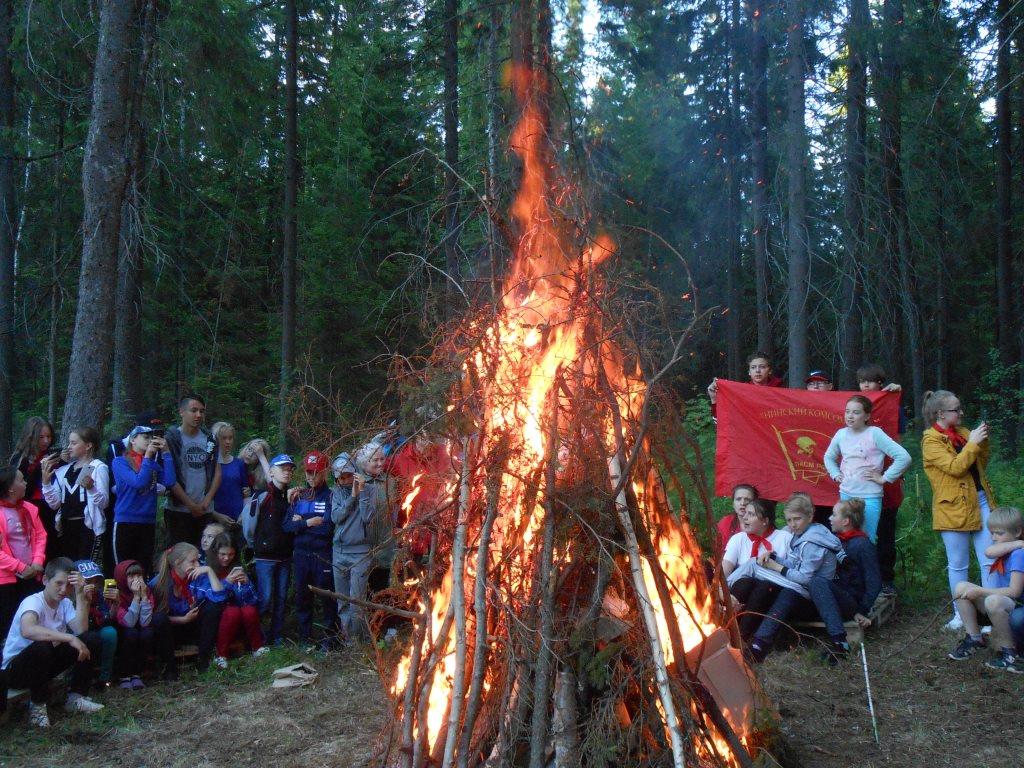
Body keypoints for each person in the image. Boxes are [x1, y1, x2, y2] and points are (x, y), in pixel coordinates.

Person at [921, 390, 996, 632]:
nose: (961, 413)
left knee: (990, 560)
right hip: (952, 508)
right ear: (941, 413)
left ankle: (993, 613)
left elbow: (979, 464)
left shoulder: (963, 434)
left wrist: (981, 443)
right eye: (956, 409)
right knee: (958, 564)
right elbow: (955, 468)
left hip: (981, 501)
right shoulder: (930, 441)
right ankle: (960, 615)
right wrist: (973, 444)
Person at [1, 558, 104, 727]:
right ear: (45, 580)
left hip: (45, 664)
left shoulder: (64, 603)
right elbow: (28, 629)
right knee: (43, 646)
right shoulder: (33, 601)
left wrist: (80, 595)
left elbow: (81, 630)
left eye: (69, 585)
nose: (64, 590)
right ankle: (37, 707)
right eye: (59, 583)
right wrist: (69, 638)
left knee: (90, 639)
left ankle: (76, 697)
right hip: (16, 671)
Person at [745, 494, 847, 662]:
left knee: (795, 589)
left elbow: (806, 578)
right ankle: (759, 644)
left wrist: (778, 568)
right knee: (787, 591)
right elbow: (794, 563)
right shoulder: (801, 535)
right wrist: (775, 557)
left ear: (810, 516)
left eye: (797, 519)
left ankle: (840, 642)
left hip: (830, 600)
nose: (792, 524)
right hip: (812, 598)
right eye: (789, 520)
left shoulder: (812, 542)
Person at [945, 506, 1024, 671]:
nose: (994, 537)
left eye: (999, 533)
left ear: (1017, 531)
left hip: (1018, 608)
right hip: (1008, 606)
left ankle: (1010, 653)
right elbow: (989, 552)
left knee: (993, 601)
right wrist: (1017, 542)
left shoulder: (1019, 554)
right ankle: (975, 638)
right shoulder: (1010, 548)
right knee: (961, 587)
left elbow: (1014, 592)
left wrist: (981, 592)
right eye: (992, 533)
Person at [823, 395, 911, 542]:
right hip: (846, 494)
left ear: (867, 416)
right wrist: (835, 473)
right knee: (845, 536)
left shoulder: (874, 433)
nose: (850, 416)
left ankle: (867, 564)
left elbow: (904, 457)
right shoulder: (841, 434)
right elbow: (828, 457)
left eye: (856, 412)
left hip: (869, 496)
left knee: (867, 537)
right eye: (847, 411)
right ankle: (849, 565)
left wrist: (885, 478)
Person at [857, 364, 905, 594]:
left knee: (884, 531)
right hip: (857, 483)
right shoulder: (852, 406)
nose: (866, 385)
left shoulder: (889, 403)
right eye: (862, 381)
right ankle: (863, 580)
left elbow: (901, 445)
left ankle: (886, 579)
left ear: (880, 383)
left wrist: (893, 396)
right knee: (859, 532)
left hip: (884, 481)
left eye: (870, 381)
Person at [285, 451, 336, 650]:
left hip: (322, 555)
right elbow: (287, 526)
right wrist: (308, 523)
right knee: (302, 598)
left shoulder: (331, 495)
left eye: (315, 472)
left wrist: (302, 524)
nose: (311, 476)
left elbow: (328, 528)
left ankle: (330, 639)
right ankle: (305, 638)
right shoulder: (299, 496)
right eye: (308, 472)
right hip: (300, 556)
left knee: (326, 598)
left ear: (324, 471)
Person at [151, 542, 226, 673]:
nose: (197, 565)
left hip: (193, 628)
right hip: (172, 631)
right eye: (193, 561)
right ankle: (169, 668)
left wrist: (209, 571)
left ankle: (204, 661)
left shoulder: (197, 576)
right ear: (178, 563)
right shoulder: (159, 583)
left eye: (198, 560)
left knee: (213, 607)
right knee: (159, 619)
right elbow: (153, 618)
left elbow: (220, 598)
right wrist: (183, 619)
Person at [724, 499, 792, 641]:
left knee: (764, 586)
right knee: (745, 582)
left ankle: (742, 637)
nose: (744, 517)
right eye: (745, 513)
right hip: (742, 591)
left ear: (765, 521)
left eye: (751, 514)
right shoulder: (739, 538)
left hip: (771, 591)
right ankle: (727, 632)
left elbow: (791, 568)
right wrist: (721, 589)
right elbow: (725, 570)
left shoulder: (784, 538)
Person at [246, 454, 296, 645]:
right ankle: (254, 637)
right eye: (283, 468)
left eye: (290, 469)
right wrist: (256, 545)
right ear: (271, 471)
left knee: (281, 599)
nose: (287, 472)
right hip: (265, 557)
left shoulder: (290, 497)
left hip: (285, 556)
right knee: (265, 598)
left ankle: (276, 636)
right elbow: (249, 525)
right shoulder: (262, 496)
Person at [111, 426, 175, 572]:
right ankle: (121, 595)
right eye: (145, 437)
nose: (150, 440)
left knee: (144, 566)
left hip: (147, 521)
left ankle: (143, 594)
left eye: (152, 437)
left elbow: (170, 481)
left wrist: (166, 452)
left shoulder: (151, 464)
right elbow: (137, 482)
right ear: (133, 439)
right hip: (125, 520)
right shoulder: (120, 462)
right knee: (123, 568)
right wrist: (148, 456)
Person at [41, 427, 110, 561]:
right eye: (69, 443)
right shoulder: (63, 471)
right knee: (68, 568)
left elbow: (104, 502)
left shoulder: (97, 467)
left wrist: (92, 488)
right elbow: (54, 504)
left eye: (74, 443)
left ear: (88, 445)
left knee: (84, 568)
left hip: (88, 528)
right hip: (66, 527)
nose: (69, 447)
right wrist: (46, 483)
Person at [331, 452, 377, 643]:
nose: (345, 479)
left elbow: (368, 517)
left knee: (357, 601)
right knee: (342, 601)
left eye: (349, 475)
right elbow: (336, 517)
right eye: (341, 477)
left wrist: (362, 492)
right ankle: (349, 641)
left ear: (355, 473)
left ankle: (362, 641)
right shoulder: (336, 492)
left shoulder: (370, 489)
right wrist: (352, 497)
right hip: (339, 552)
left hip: (360, 553)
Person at [164, 394, 219, 547]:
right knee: (179, 555)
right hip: (178, 509)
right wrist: (190, 505)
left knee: (204, 554)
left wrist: (207, 501)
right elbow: (170, 475)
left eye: (202, 411)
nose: (198, 415)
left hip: (205, 508)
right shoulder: (171, 438)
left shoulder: (210, 438)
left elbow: (217, 471)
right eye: (193, 410)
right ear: (182, 412)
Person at [204, 532, 266, 666]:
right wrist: (226, 582)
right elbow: (212, 598)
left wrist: (246, 584)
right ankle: (221, 655)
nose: (226, 558)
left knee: (249, 610)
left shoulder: (237, 568)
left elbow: (253, 600)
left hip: (237, 613)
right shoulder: (207, 568)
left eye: (231, 554)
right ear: (215, 552)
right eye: (223, 554)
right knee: (232, 612)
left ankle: (258, 648)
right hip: (214, 614)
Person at [0, 466, 46, 639]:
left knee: (33, 618)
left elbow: (41, 535)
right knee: (8, 623)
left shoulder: (29, 508)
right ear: (11, 488)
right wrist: (20, 567)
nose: (26, 483)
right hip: (7, 580)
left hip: (32, 574)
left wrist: (37, 562)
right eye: (21, 480)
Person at [113, 558, 173, 688]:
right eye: (131, 576)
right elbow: (129, 622)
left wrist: (144, 597)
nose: (136, 579)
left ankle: (137, 673)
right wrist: (135, 597)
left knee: (147, 633)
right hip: (124, 629)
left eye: (139, 575)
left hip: (141, 625)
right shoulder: (118, 594)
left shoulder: (147, 591)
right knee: (131, 633)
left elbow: (145, 622)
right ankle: (124, 674)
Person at [824, 499, 883, 632]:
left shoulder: (863, 545)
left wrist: (863, 609)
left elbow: (874, 581)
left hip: (852, 600)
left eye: (834, 515)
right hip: (836, 596)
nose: (830, 518)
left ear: (846, 521)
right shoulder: (833, 541)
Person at [10, 417, 58, 560]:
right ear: (31, 437)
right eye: (41, 437)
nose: (46, 441)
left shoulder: (53, 454)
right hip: (28, 506)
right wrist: (40, 467)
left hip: (50, 506)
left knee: (51, 544)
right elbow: (23, 488)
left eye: (48, 436)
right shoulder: (20, 458)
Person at [73, 559, 118, 691]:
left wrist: (115, 603)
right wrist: (83, 599)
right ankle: (74, 680)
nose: (92, 584)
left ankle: (104, 678)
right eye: (87, 580)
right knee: (89, 637)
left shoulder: (99, 594)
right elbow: (76, 627)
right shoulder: (68, 596)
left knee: (110, 632)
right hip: (77, 633)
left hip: (96, 629)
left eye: (95, 580)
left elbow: (107, 618)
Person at [706, 352, 784, 419]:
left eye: (762, 367)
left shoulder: (780, 392)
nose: (757, 370)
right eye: (753, 367)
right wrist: (714, 399)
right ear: (749, 372)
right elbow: (723, 421)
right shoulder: (742, 393)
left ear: (770, 371)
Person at [210, 421, 249, 525]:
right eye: (224, 438)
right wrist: (216, 516)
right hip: (215, 519)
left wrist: (243, 515)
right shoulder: (209, 464)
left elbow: (246, 493)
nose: (228, 441)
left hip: (238, 519)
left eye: (230, 438)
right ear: (216, 439)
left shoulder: (239, 463)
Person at [716, 484, 759, 558]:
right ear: (733, 503)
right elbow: (717, 550)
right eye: (738, 499)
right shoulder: (725, 522)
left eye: (747, 499)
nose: (742, 503)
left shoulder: (761, 524)